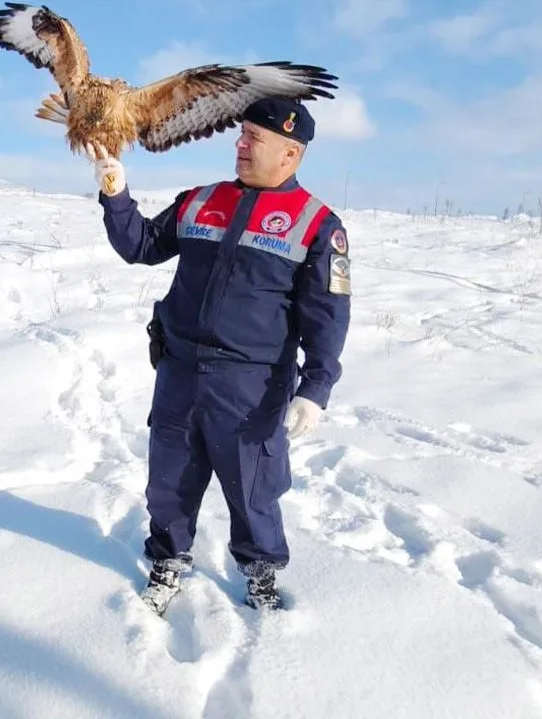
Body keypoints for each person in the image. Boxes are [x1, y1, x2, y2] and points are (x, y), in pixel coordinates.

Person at [85, 96, 351, 615]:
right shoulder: (199, 200)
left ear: (290, 154)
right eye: (242, 134)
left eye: (255, 139)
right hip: (181, 372)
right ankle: (168, 558)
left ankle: (260, 575)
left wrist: (315, 390)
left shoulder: (317, 224)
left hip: (251, 386)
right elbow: (141, 246)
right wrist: (115, 196)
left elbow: (328, 316)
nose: (241, 144)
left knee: (254, 488)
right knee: (169, 480)